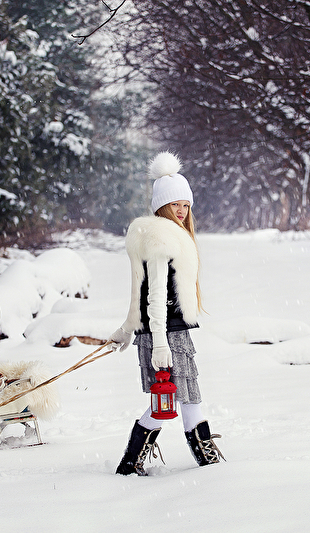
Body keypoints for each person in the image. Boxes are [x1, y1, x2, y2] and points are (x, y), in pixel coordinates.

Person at [108, 151, 224, 476]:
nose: (183, 211)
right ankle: (138, 465)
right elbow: (154, 295)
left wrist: (126, 328)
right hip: (165, 334)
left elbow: (139, 289)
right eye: (176, 204)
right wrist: (159, 342)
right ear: (162, 206)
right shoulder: (160, 237)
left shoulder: (173, 235)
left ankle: (140, 462)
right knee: (173, 402)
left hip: (172, 332)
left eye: (186, 204)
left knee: (182, 399)